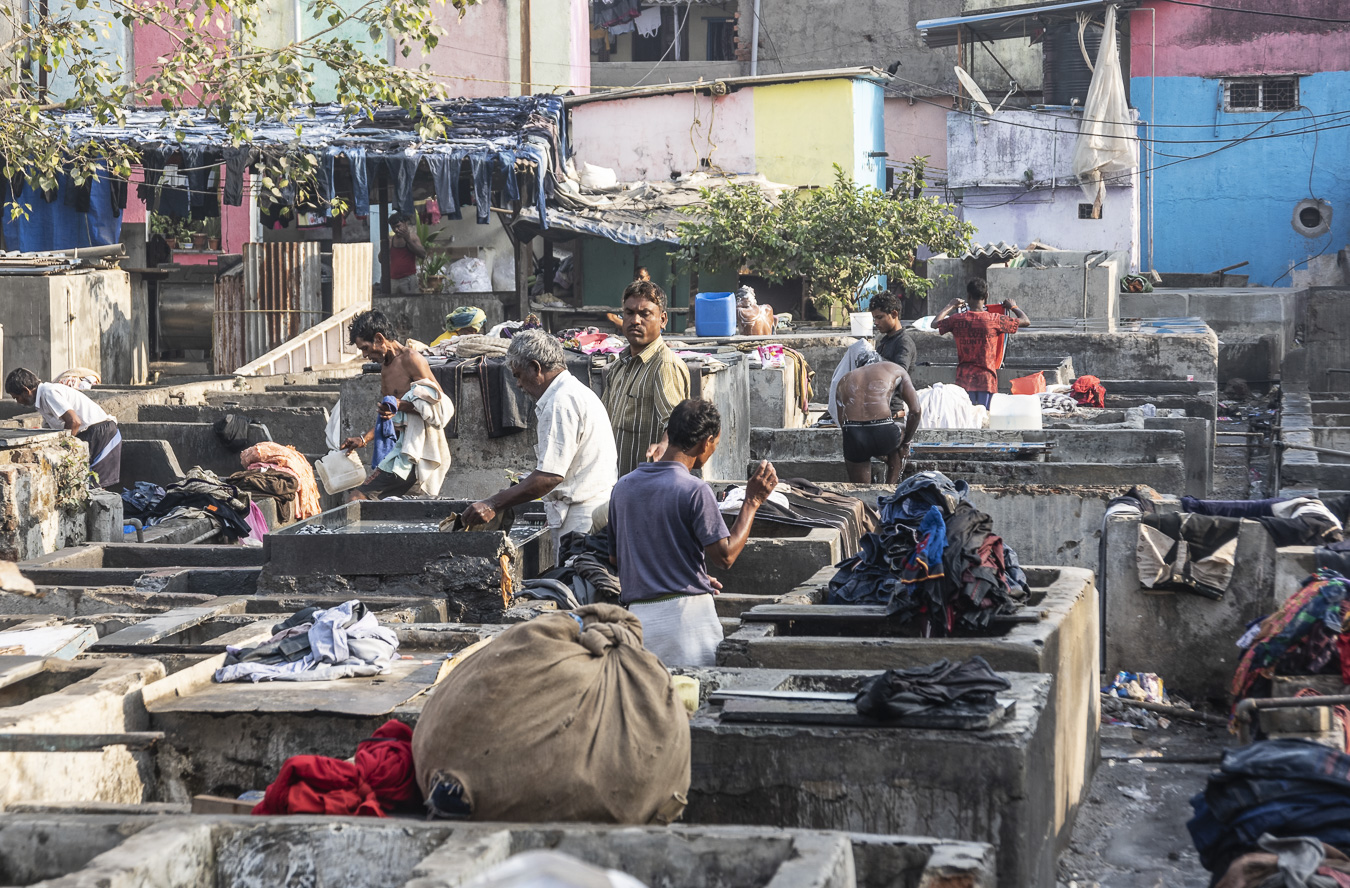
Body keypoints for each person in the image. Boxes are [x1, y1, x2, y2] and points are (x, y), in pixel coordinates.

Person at [608, 398, 778, 666]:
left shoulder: (623, 488)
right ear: (706, 442)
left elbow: (617, 560)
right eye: (715, 444)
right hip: (686, 623)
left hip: (638, 623)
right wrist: (751, 501)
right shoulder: (695, 490)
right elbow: (725, 556)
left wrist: (684, 573)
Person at [462, 330, 618, 548]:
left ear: (535, 368)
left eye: (518, 375)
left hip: (582, 518)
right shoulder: (572, 392)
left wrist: (493, 504)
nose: (518, 385)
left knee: (574, 579)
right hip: (589, 509)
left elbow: (549, 477)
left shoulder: (560, 401)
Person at [342, 310, 452, 499]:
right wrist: (364, 439)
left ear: (379, 338)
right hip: (399, 450)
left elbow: (439, 405)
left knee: (356, 498)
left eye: (366, 348)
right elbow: (388, 416)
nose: (365, 355)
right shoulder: (385, 367)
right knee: (404, 510)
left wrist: (401, 405)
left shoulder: (411, 359)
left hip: (412, 451)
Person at [602, 280, 691, 476]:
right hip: (615, 483)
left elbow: (676, 422)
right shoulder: (619, 366)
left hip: (646, 489)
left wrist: (664, 444)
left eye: (645, 314)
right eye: (629, 313)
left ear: (663, 320)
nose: (635, 320)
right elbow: (602, 422)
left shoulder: (664, 365)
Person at [6, 368, 122, 488]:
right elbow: (50, 429)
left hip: (99, 432)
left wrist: (64, 448)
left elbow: (74, 421)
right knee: (84, 484)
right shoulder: (41, 400)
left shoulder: (48, 392)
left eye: (16, 398)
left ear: (26, 391)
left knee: (92, 486)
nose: (18, 402)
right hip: (92, 432)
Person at [933, 279, 1031, 409]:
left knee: (966, 421)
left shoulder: (956, 320)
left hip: (964, 380)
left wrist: (950, 305)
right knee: (984, 421)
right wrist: (1013, 306)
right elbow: (1025, 321)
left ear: (968, 296)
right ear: (986, 296)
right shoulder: (995, 319)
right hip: (987, 381)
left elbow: (935, 324)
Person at [832, 350, 922, 484]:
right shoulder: (895, 369)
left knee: (860, 491)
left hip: (853, 435)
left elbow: (841, 422)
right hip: (884, 432)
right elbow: (915, 411)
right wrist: (906, 442)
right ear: (880, 361)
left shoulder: (844, 380)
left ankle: (864, 500)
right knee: (901, 430)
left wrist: (866, 443)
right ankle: (891, 488)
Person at [388, 212, 427, 295]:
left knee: (411, 304)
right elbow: (381, 260)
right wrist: (385, 248)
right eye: (393, 228)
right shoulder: (391, 240)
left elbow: (423, 254)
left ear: (405, 224)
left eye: (398, 226)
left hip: (408, 279)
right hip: (393, 280)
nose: (396, 230)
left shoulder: (412, 237)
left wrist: (408, 240)